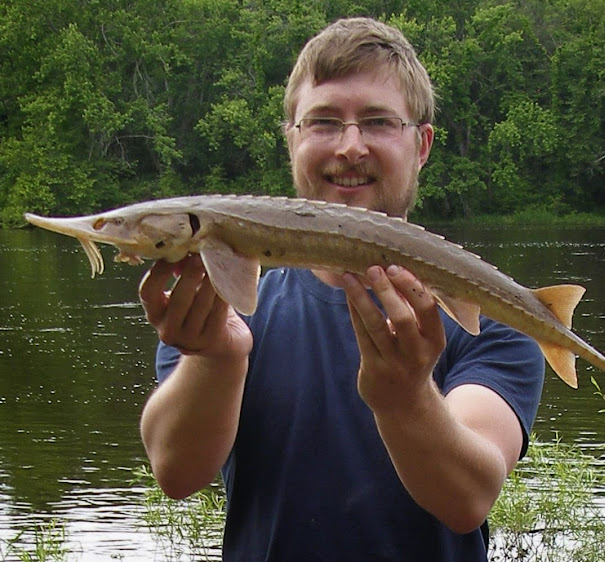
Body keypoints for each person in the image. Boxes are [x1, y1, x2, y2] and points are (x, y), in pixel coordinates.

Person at [138, 17, 544, 561]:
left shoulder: (489, 314)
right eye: (324, 122)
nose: (351, 146)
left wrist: (404, 399)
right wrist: (216, 359)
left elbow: (468, 497)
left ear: (421, 144)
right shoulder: (229, 300)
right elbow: (176, 471)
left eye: (377, 122)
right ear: (292, 141)